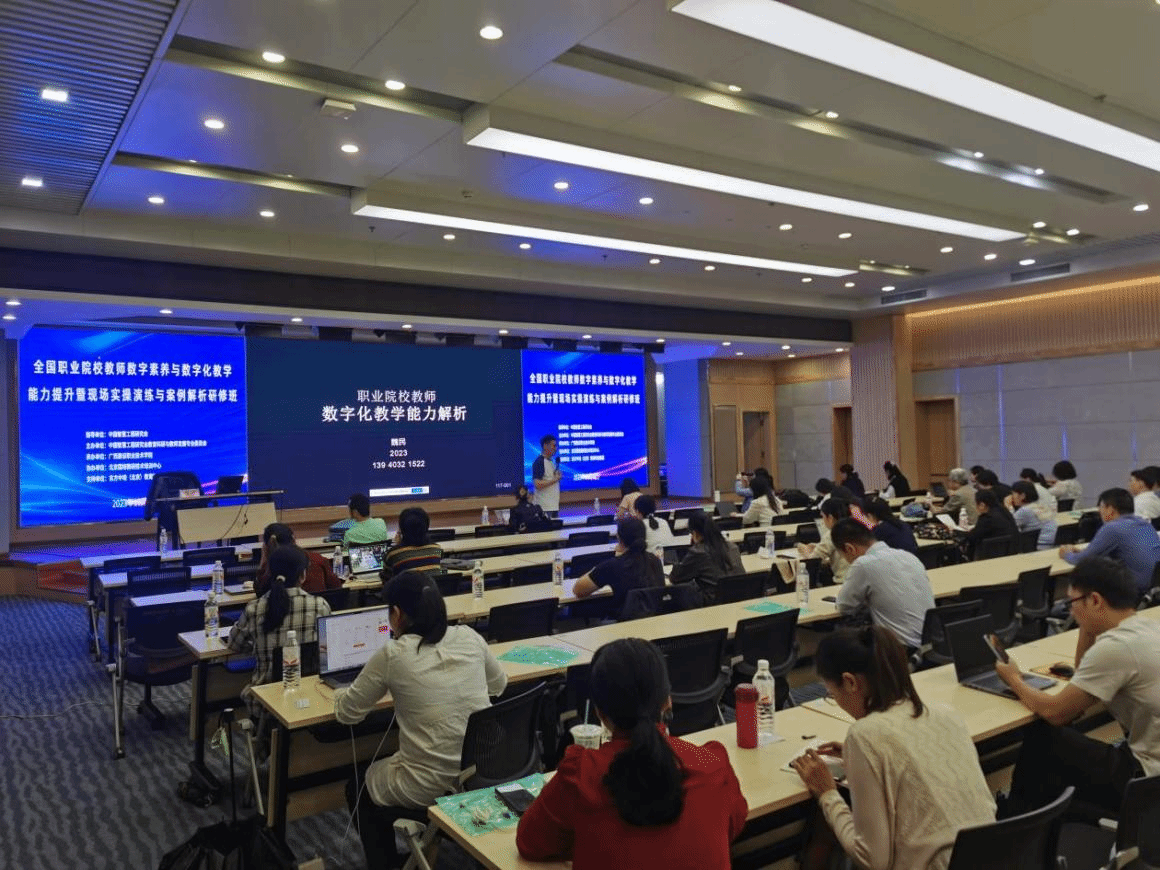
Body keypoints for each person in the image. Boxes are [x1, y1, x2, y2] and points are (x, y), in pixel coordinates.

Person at [517, 638, 748, 868]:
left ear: (600, 713)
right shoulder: (713, 765)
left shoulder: (580, 776)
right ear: (667, 701)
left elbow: (530, 843)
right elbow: (733, 824)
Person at [337, 572, 507, 869]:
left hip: (432, 786)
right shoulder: (469, 636)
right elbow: (499, 685)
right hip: (484, 773)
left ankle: (386, 864)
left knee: (359, 785)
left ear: (396, 614)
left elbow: (349, 713)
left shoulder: (393, 653)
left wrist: (340, 694)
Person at [791, 626, 995, 870]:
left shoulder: (865, 734)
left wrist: (827, 793)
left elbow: (872, 859)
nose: (837, 701)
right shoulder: (946, 714)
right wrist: (858, 758)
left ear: (850, 682)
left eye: (832, 694)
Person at [996, 557, 1159, 818]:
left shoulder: (1116, 647)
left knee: (1044, 735)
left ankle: (1014, 820)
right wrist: (1087, 626)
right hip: (1148, 761)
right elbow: (1084, 674)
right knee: (1061, 748)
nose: (1071, 612)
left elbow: (1056, 713)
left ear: (1094, 600)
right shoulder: (1147, 628)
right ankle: (1040, 814)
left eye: (1072, 602)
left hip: (1146, 780)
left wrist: (1014, 679)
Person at [226, 545, 331, 716]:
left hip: (264, 704)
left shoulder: (255, 608)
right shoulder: (319, 605)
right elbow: (327, 650)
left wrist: (258, 644)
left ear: (271, 574)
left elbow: (234, 645)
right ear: (303, 575)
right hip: (311, 698)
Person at [831, 519, 935, 650]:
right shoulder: (908, 556)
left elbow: (844, 607)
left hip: (900, 648)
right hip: (932, 644)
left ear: (849, 549)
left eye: (843, 556)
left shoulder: (863, 564)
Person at [1060, 488, 1160, 594]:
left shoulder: (1113, 528)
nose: (1099, 511)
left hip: (1132, 588)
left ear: (1111, 509)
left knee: (1086, 579)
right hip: (1154, 587)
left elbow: (1083, 560)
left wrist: (1066, 554)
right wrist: (1084, 551)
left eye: (1101, 507)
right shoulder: (1145, 524)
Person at [574, 516, 665, 618]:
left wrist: (596, 568)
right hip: (655, 620)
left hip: (627, 624)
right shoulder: (655, 560)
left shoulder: (612, 565)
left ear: (618, 538)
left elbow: (578, 590)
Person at [255, 522, 341, 595]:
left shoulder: (269, 570)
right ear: (293, 539)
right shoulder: (317, 559)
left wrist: (263, 561)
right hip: (318, 608)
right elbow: (336, 587)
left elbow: (260, 593)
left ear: (267, 546)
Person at [671, 510, 744, 587]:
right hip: (740, 591)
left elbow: (675, 578)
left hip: (714, 594)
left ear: (695, 533)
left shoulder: (698, 552)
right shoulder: (733, 547)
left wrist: (678, 564)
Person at [796, 498, 853, 584]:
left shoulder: (833, 533)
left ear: (830, 518)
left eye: (822, 516)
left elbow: (813, 561)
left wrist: (805, 550)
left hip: (843, 582)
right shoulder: (856, 529)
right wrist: (817, 546)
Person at [380, 507, 442, 582]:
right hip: (431, 589)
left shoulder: (393, 554)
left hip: (406, 590)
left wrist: (397, 546)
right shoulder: (436, 549)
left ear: (402, 530)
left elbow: (386, 581)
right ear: (427, 527)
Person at [962, 489, 1019, 560]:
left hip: (990, 555)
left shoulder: (987, 517)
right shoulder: (1004, 511)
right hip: (1011, 553)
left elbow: (972, 537)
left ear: (982, 505)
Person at [1010, 481, 1058, 550]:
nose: (1011, 497)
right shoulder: (1041, 506)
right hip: (1049, 544)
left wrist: (1009, 507)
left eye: (1013, 494)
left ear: (1022, 496)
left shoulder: (1025, 511)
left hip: (1036, 547)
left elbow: (1009, 525)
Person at [532, 433, 563, 517]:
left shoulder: (551, 461)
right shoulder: (539, 462)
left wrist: (556, 476)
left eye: (556, 446)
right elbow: (537, 484)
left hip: (553, 506)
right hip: (544, 508)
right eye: (553, 446)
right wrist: (555, 479)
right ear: (545, 446)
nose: (555, 448)